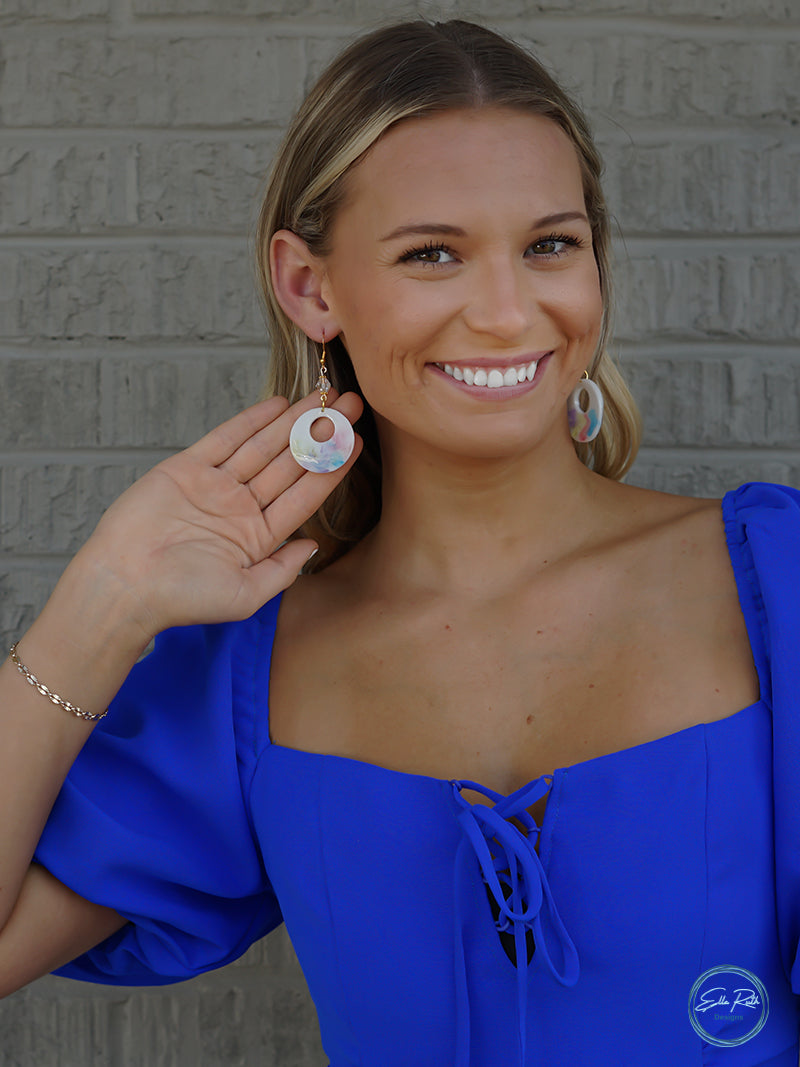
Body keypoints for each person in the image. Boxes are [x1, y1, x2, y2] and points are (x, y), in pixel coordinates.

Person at [1, 17, 798, 1066]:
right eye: (433, 253)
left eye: (549, 244)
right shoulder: (247, 670)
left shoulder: (772, 584)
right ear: (309, 287)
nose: (509, 313)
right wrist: (100, 603)